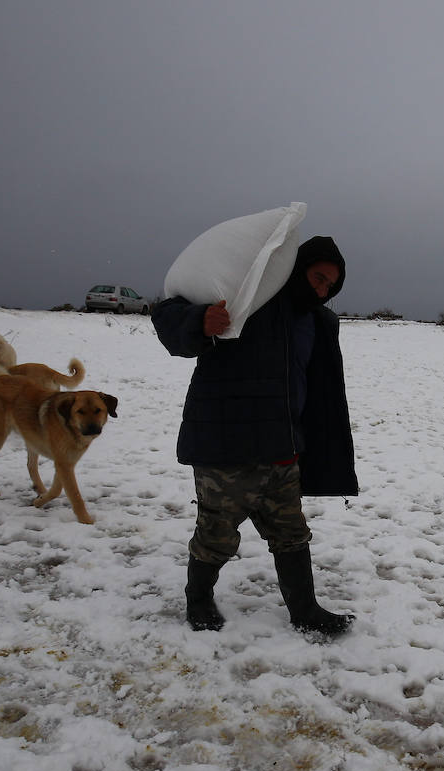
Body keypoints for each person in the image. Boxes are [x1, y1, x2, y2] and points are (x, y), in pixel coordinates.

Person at [152, 236, 358, 635]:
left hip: (283, 449)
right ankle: (198, 602)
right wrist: (199, 321)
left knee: (291, 533)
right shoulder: (249, 295)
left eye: (330, 286)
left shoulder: (314, 321)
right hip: (227, 445)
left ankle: (305, 610)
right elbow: (167, 313)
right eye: (317, 278)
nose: (322, 290)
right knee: (217, 534)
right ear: (297, 268)